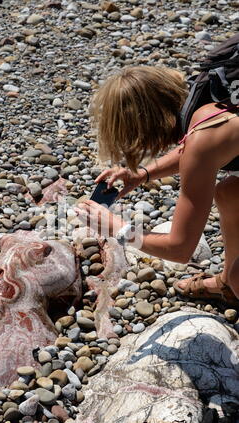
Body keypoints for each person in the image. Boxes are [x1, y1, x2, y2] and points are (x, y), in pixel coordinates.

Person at [76, 65, 239, 307]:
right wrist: (143, 174)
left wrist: (117, 228)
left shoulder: (203, 140)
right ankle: (227, 284)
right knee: (230, 193)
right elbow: (200, 148)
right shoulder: (213, 98)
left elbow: (180, 249)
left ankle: (233, 279)